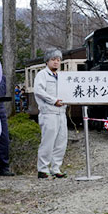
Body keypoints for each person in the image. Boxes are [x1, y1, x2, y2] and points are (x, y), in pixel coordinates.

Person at [34, 48, 68, 179]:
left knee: (61, 142)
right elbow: (39, 91)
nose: (56, 62)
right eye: (53, 60)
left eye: (58, 60)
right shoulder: (42, 75)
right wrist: (54, 101)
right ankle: (42, 169)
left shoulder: (61, 76)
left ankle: (56, 168)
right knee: (48, 142)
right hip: (48, 113)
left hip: (61, 113)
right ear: (47, 61)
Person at [0, 75, 14, 176]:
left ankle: (4, 167)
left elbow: (3, 92)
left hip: (0, 106)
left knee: (4, 138)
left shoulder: (2, 77)